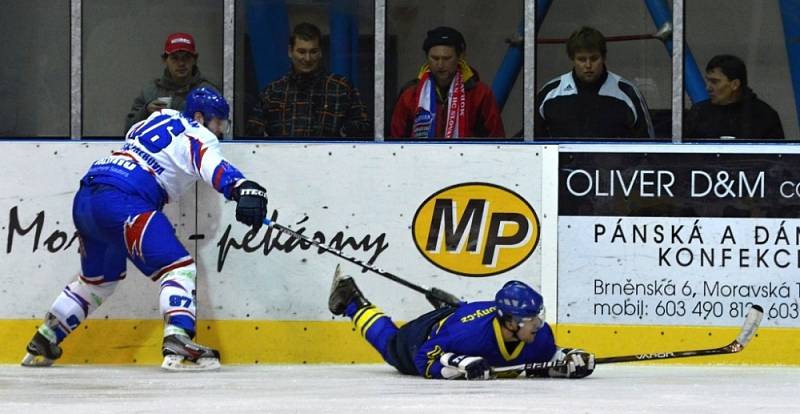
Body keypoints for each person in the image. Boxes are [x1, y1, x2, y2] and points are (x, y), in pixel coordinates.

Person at [22, 87, 268, 371]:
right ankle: (178, 337)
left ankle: (47, 336)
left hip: (88, 195)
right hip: (125, 199)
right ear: (200, 117)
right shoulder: (199, 134)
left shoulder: (159, 116)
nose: (220, 130)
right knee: (178, 268)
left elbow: (137, 131)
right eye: (218, 122)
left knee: (98, 281)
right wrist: (241, 187)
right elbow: (212, 164)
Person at [328, 266, 594, 380]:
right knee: (391, 345)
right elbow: (424, 359)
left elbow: (541, 362)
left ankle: (452, 307)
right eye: (531, 320)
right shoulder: (466, 337)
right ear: (511, 324)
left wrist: (568, 362)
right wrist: (459, 364)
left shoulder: (539, 335)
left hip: (464, 315)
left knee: (462, 315)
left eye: (539, 316)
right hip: (426, 337)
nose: (538, 323)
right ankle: (351, 299)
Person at [247, 22, 372, 138]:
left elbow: (364, 126)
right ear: (290, 52)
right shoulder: (273, 91)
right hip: (281, 160)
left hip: (330, 160)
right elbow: (253, 131)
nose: (307, 58)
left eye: (313, 51)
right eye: (301, 51)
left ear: (321, 52)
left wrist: (343, 134)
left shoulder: (342, 88)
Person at [535, 26, 654, 139]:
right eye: (581, 59)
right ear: (572, 59)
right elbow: (532, 145)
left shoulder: (627, 93)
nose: (588, 65)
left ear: (603, 57)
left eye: (594, 58)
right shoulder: (550, 93)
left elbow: (649, 148)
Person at [390, 26, 506, 139]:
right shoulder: (411, 94)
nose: (440, 65)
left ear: (460, 57)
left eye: (447, 58)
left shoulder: (480, 94)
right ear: (426, 57)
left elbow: (497, 141)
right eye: (434, 58)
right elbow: (395, 141)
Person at [124, 32, 219, 133]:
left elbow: (221, 131)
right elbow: (128, 130)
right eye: (175, 58)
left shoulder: (209, 92)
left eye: (186, 57)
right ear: (165, 60)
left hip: (195, 148)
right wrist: (146, 112)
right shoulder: (150, 92)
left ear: (195, 60)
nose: (181, 63)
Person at [685, 54, 784, 140]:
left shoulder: (764, 116)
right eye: (708, 81)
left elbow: (778, 157)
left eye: (715, 82)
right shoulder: (699, 112)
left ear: (735, 84)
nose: (708, 88)